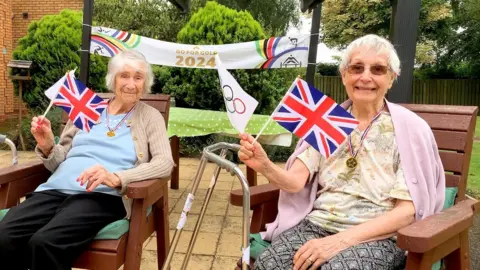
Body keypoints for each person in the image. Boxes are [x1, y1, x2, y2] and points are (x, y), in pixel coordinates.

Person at [238, 34, 445, 270]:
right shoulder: (328, 121)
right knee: (269, 264)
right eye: (357, 68)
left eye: (377, 69)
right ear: (344, 75)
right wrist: (265, 165)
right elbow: (295, 182)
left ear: (391, 79)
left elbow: (408, 211)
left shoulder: (409, 130)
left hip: (379, 236)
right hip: (317, 225)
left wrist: (337, 242)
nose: (365, 77)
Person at [0, 50, 174, 270]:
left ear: (145, 83)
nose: (131, 84)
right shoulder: (90, 109)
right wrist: (47, 145)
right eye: (124, 76)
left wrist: (118, 178)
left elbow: (165, 163)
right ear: (113, 79)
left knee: (44, 243)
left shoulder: (150, 117)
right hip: (54, 190)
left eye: (138, 77)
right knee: (3, 237)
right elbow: (57, 161)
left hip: (100, 196)